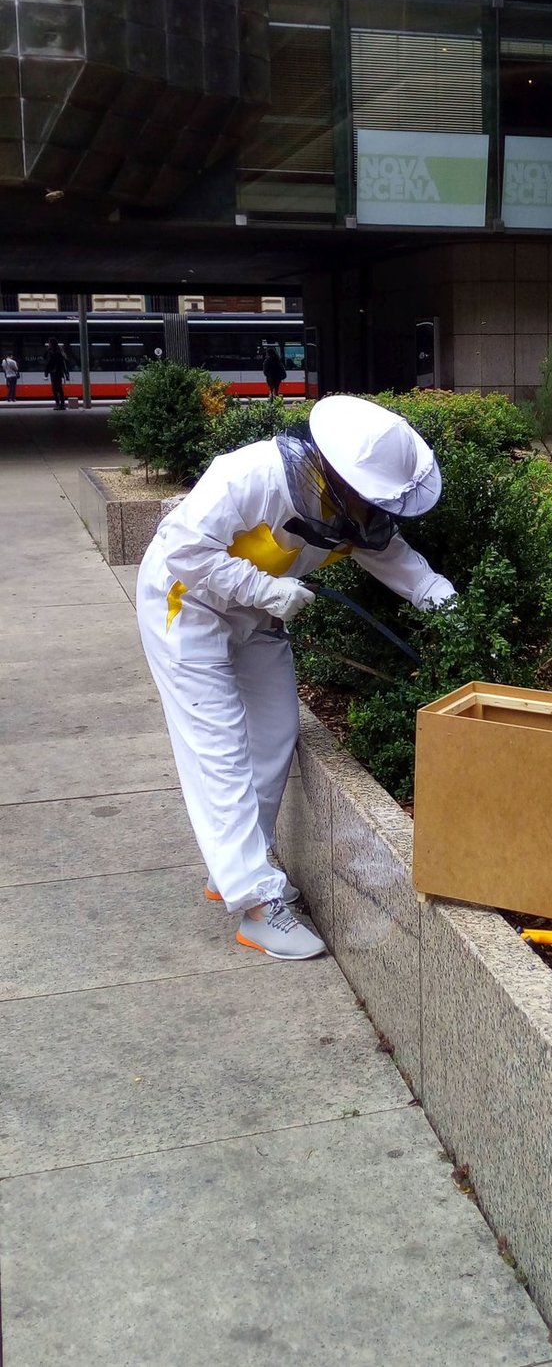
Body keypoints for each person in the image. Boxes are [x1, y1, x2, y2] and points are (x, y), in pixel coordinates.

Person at [135, 395, 456, 961]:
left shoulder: (352, 507)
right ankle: (257, 905)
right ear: (337, 476)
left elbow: (391, 556)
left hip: (259, 616)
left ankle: (233, 865)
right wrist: (266, 590)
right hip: (185, 606)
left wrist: (445, 603)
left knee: (276, 735)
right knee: (220, 748)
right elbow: (184, 548)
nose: (376, 514)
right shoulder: (248, 475)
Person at [43, 338, 70, 410]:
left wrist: (46, 372)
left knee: (56, 389)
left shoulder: (55, 352)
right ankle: (61, 404)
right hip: (57, 372)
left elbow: (48, 361)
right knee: (59, 389)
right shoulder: (59, 351)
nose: (48, 345)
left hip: (55, 372)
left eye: (49, 343)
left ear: (52, 344)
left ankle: (59, 404)